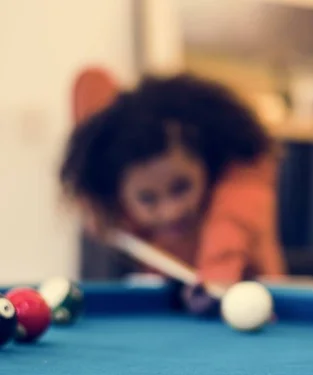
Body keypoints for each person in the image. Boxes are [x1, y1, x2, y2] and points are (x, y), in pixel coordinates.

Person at [59, 73, 287, 314]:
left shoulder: (241, 184)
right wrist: (96, 207)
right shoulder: (117, 204)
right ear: (119, 194)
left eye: (181, 187)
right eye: (148, 198)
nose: (170, 211)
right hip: (170, 312)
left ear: (207, 166)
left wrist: (216, 280)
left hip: (257, 307)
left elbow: (231, 229)